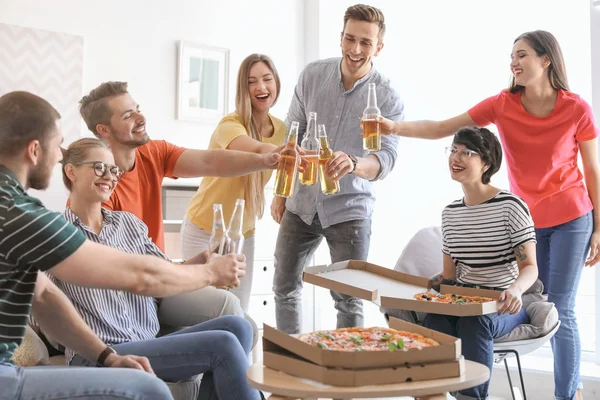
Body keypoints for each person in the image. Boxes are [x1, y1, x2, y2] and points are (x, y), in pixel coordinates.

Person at [378, 30, 600, 400]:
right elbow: (443, 128)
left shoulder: (576, 108)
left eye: (522, 55)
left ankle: (568, 394)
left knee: (561, 306)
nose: (513, 62)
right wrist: (394, 127)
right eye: (511, 56)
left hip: (570, 216)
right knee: (532, 299)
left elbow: (592, 169)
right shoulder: (502, 104)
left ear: (546, 60)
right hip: (527, 218)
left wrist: (599, 227)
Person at [0, 91, 246, 400]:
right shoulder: (20, 214)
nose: (58, 157)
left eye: (112, 169)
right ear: (35, 151)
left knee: (236, 327)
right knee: (153, 388)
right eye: (57, 148)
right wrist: (210, 274)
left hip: (112, 345)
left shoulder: (13, 208)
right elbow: (141, 277)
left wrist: (108, 357)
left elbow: (44, 296)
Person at [50, 137, 262, 400]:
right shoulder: (56, 234)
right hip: (99, 353)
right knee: (223, 344)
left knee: (238, 327)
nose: (110, 176)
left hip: (148, 342)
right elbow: (41, 304)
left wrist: (205, 260)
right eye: (99, 167)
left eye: (114, 170)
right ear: (71, 171)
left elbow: (163, 271)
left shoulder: (129, 224)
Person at [78, 81, 281, 324]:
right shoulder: (99, 189)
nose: (141, 118)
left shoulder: (153, 152)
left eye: (138, 109)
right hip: (133, 298)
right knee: (228, 307)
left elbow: (210, 162)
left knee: (246, 324)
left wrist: (268, 160)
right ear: (104, 130)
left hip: (160, 281)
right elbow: (127, 274)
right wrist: (200, 272)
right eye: (128, 115)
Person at [272, 3, 403, 334]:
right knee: (284, 288)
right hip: (300, 203)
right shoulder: (313, 76)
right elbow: (291, 134)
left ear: (379, 48)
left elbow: (385, 160)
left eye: (365, 43)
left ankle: (347, 380)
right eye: (349, 39)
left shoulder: (387, 98)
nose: (355, 50)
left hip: (349, 210)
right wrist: (280, 192)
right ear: (341, 37)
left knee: (348, 299)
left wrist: (356, 163)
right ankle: (293, 368)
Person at [423, 127, 538, 400]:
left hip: (504, 304)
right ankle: (435, 393)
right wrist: (426, 286)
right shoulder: (450, 214)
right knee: (433, 317)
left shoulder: (510, 205)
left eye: (467, 152)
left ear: (486, 163)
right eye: (453, 149)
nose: (456, 157)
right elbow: (449, 276)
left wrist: (516, 291)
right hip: (464, 300)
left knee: (475, 321)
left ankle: (471, 397)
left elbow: (530, 267)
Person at [181, 54, 286, 311]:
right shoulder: (229, 125)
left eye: (267, 79)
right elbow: (250, 149)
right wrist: (273, 153)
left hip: (243, 232)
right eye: (252, 82)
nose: (261, 87)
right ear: (243, 89)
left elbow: (284, 174)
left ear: (276, 83)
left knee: (238, 311)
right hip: (204, 229)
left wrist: (281, 196)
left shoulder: (281, 128)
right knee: (205, 311)